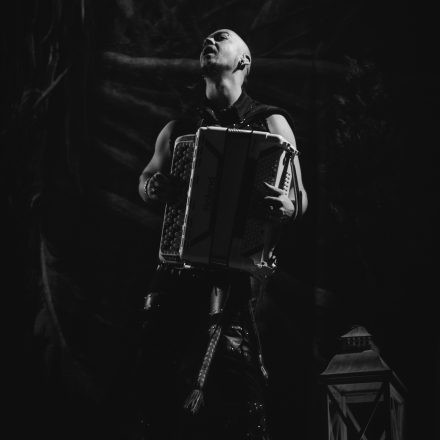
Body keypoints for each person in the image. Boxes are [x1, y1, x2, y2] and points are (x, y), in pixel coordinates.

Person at [137, 29, 307, 440]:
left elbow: (300, 195)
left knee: (238, 395)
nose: (209, 41)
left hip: (233, 284)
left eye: (221, 37)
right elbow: (146, 178)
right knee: (159, 389)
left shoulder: (271, 121)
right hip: (176, 278)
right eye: (207, 40)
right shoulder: (178, 128)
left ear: (244, 62)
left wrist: (289, 209)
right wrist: (151, 187)